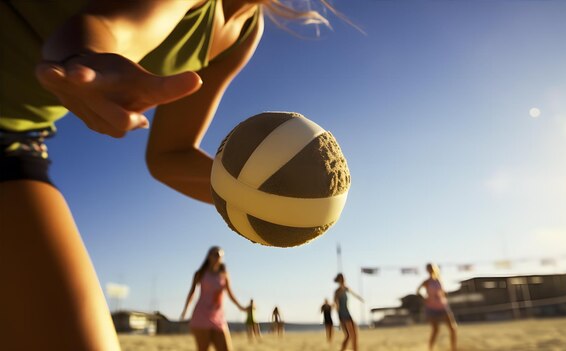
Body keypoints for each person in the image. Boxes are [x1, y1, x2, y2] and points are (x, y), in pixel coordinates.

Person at [0, 0, 333, 349]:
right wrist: (81, 56)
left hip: (15, 140)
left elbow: (168, 156)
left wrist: (256, 196)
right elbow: (107, 27)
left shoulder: (244, 33)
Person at [181, 246, 246, 351]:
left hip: (218, 316)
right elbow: (192, 293)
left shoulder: (224, 275)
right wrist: (185, 310)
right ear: (209, 256)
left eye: (221, 255)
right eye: (216, 254)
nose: (218, 257)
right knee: (203, 349)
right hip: (201, 315)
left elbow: (230, 293)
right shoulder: (200, 273)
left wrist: (241, 307)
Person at [418, 263, 458, 351]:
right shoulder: (427, 282)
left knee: (453, 328)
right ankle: (430, 349)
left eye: (432, 268)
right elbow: (418, 290)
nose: (431, 270)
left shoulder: (439, 280)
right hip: (431, 308)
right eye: (429, 268)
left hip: (442, 306)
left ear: (435, 269)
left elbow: (442, 292)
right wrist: (424, 299)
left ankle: (453, 348)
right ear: (427, 270)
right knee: (436, 330)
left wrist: (444, 295)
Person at [334, 273, 364, 351]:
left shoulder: (345, 288)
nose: (344, 279)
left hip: (347, 313)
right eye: (342, 278)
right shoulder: (337, 291)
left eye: (344, 278)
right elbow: (336, 305)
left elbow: (353, 293)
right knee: (351, 335)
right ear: (339, 280)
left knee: (350, 335)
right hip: (343, 314)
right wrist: (339, 319)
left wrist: (360, 298)